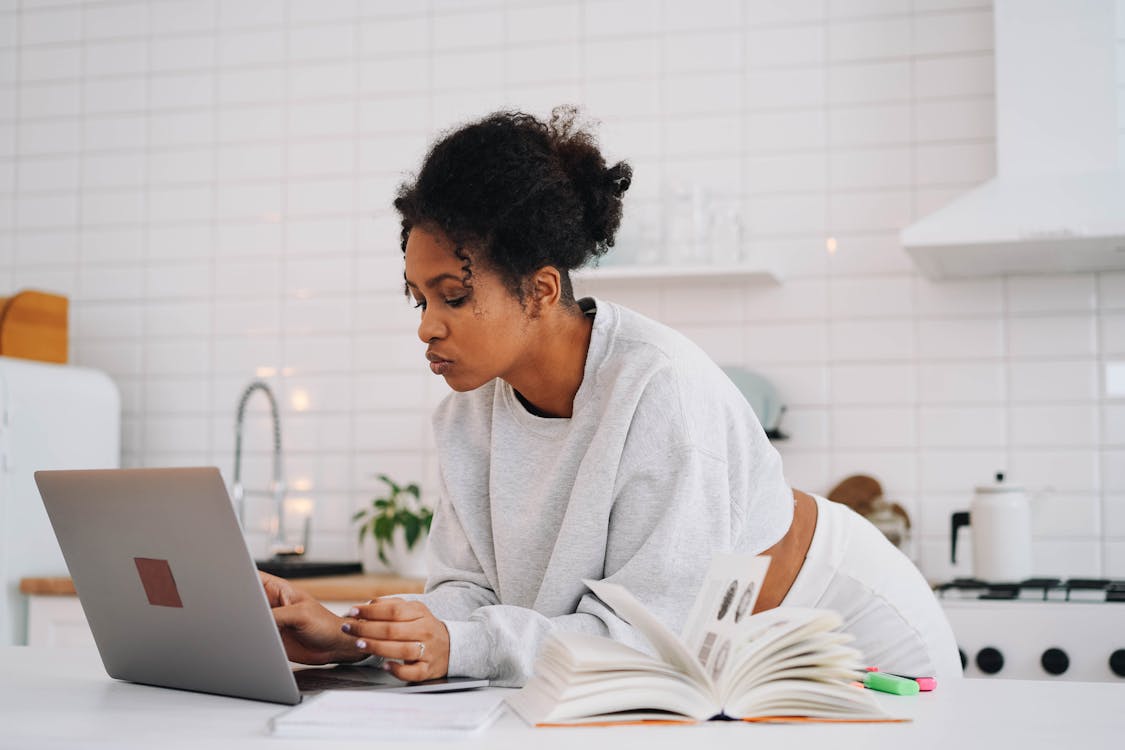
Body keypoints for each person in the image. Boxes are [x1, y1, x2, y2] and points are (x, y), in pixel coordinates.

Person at [261, 107, 961, 687]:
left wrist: (457, 643)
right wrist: (356, 636)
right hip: (715, 668)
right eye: (417, 300)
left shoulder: (661, 392)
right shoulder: (466, 417)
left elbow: (645, 636)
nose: (428, 326)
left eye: (453, 296)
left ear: (538, 289)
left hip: (850, 642)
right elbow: (466, 601)